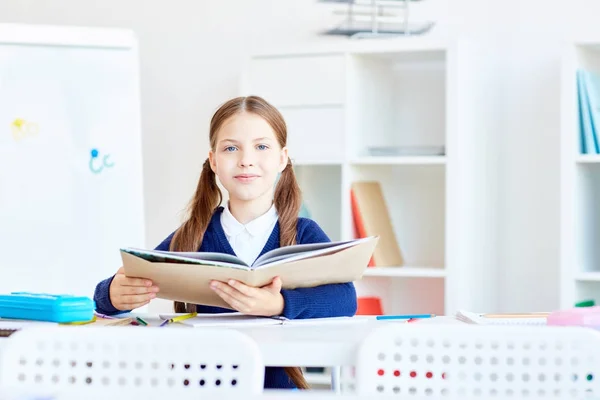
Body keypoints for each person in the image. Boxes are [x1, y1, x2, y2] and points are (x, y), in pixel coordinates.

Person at [93, 95, 358, 389]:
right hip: (200, 388)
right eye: (231, 148)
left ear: (282, 158)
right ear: (214, 161)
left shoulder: (303, 232)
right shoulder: (193, 235)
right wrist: (113, 295)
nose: (246, 160)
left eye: (261, 147)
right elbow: (110, 295)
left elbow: (346, 299)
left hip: (276, 391)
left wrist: (279, 303)